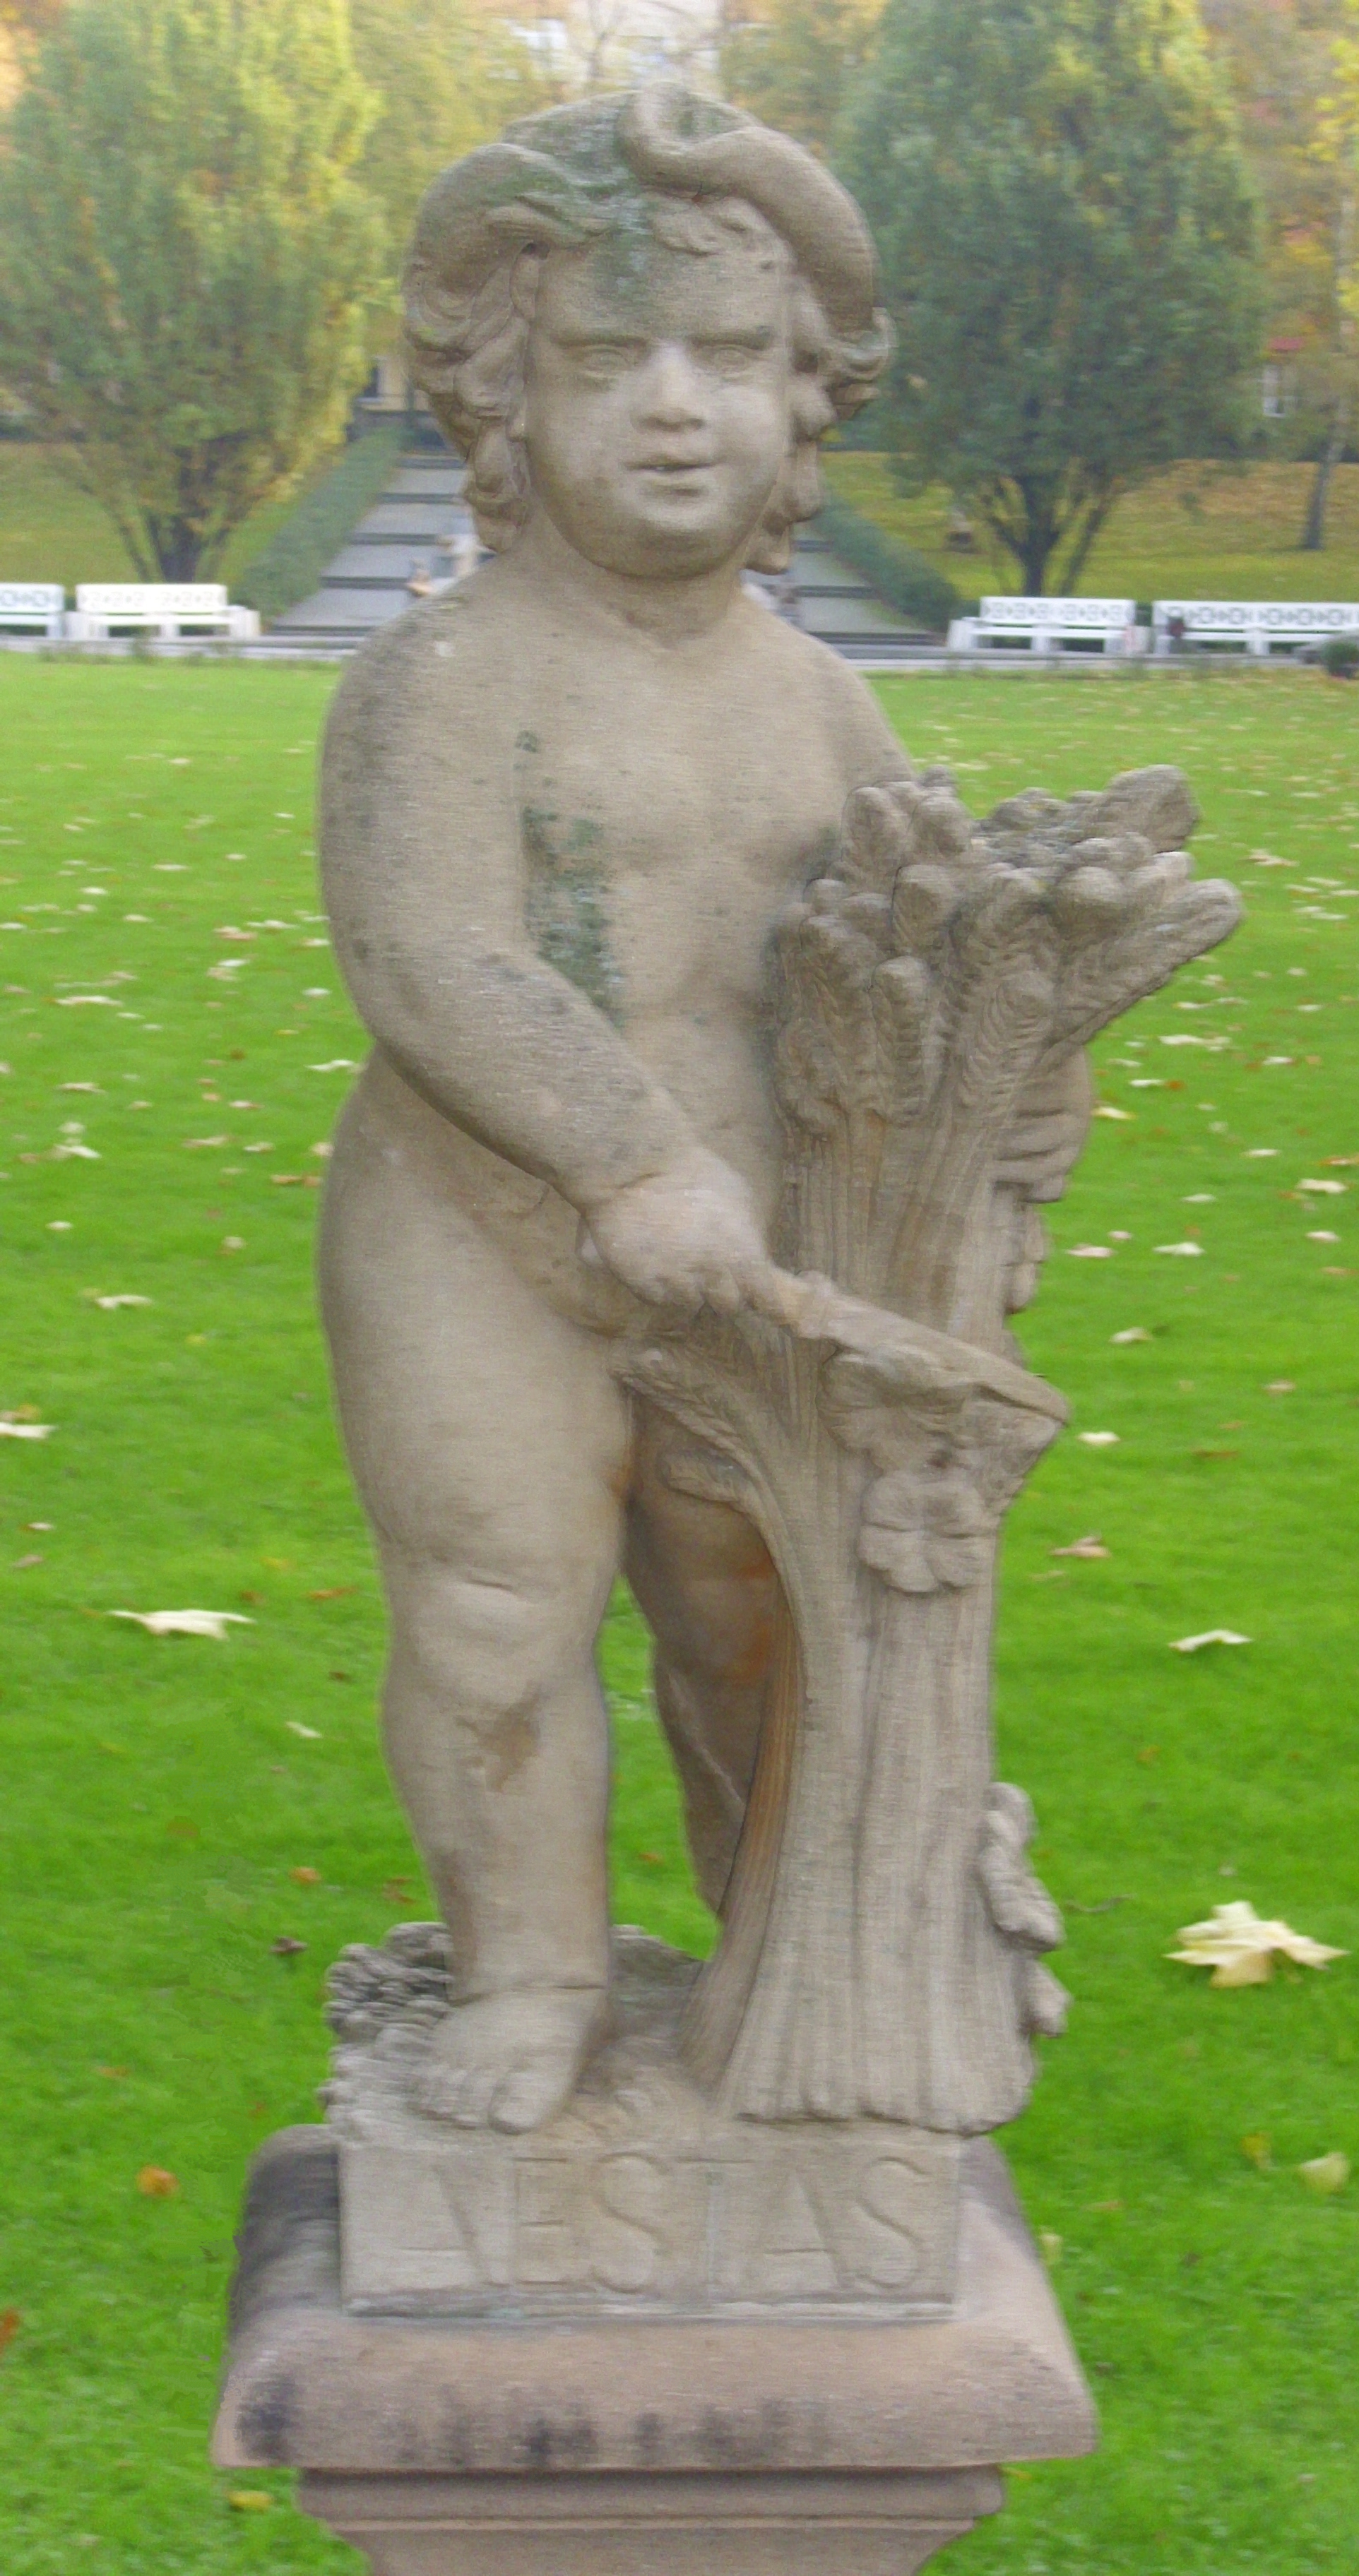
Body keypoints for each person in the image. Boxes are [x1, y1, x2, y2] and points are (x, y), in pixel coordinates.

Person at [316, 88, 1090, 2135]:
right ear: (505, 398)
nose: (676, 411)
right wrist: (628, 1155)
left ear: (801, 397)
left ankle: (794, 1948)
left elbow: (930, 940)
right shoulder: (443, 678)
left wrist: (1016, 1105)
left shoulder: (816, 699)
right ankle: (533, 1976)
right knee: (495, 1613)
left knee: (769, 1610)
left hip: (761, 1265)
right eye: (605, 359)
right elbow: (429, 957)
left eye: (733, 360)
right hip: (479, 1229)